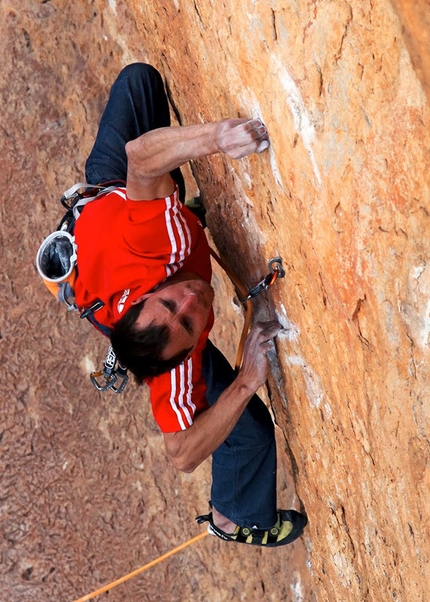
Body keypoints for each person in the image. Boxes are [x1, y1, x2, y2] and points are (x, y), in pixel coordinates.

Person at [72, 62, 307, 546]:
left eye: (170, 301)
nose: (192, 299)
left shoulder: (157, 247)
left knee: (141, 81)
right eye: (189, 324)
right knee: (250, 433)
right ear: (188, 355)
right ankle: (234, 516)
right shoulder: (176, 369)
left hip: (107, 208)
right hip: (102, 275)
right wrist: (244, 384)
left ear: (149, 292)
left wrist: (219, 137)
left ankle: (165, 200)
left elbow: (139, 157)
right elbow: (180, 454)